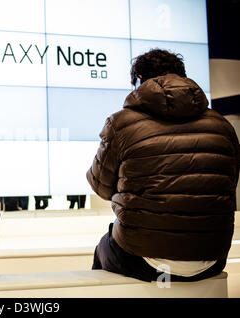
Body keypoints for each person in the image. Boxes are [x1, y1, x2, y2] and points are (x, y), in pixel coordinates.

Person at [87, 49, 240, 282]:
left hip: (144, 261)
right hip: (211, 260)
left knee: (103, 248)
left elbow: (102, 188)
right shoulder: (222, 126)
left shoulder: (120, 123)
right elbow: (226, 187)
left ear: (139, 79)